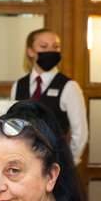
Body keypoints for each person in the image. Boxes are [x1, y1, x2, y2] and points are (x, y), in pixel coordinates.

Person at [12, 29, 88, 162]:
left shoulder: (69, 87)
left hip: (56, 164)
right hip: (22, 163)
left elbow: (80, 133)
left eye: (55, 47)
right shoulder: (18, 85)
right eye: (44, 46)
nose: (51, 51)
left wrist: (68, 163)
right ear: (31, 52)